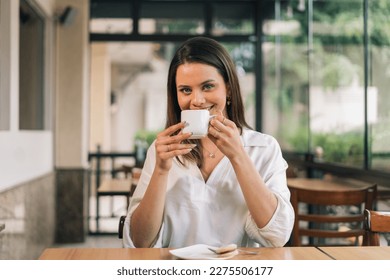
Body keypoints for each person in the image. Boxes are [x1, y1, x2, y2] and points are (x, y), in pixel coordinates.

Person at [123, 37, 294, 248]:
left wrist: (238, 156)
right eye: (185, 90)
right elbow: (140, 241)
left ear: (229, 89)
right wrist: (160, 170)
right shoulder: (162, 152)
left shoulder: (264, 149)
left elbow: (278, 236)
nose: (197, 100)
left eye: (208, 86)